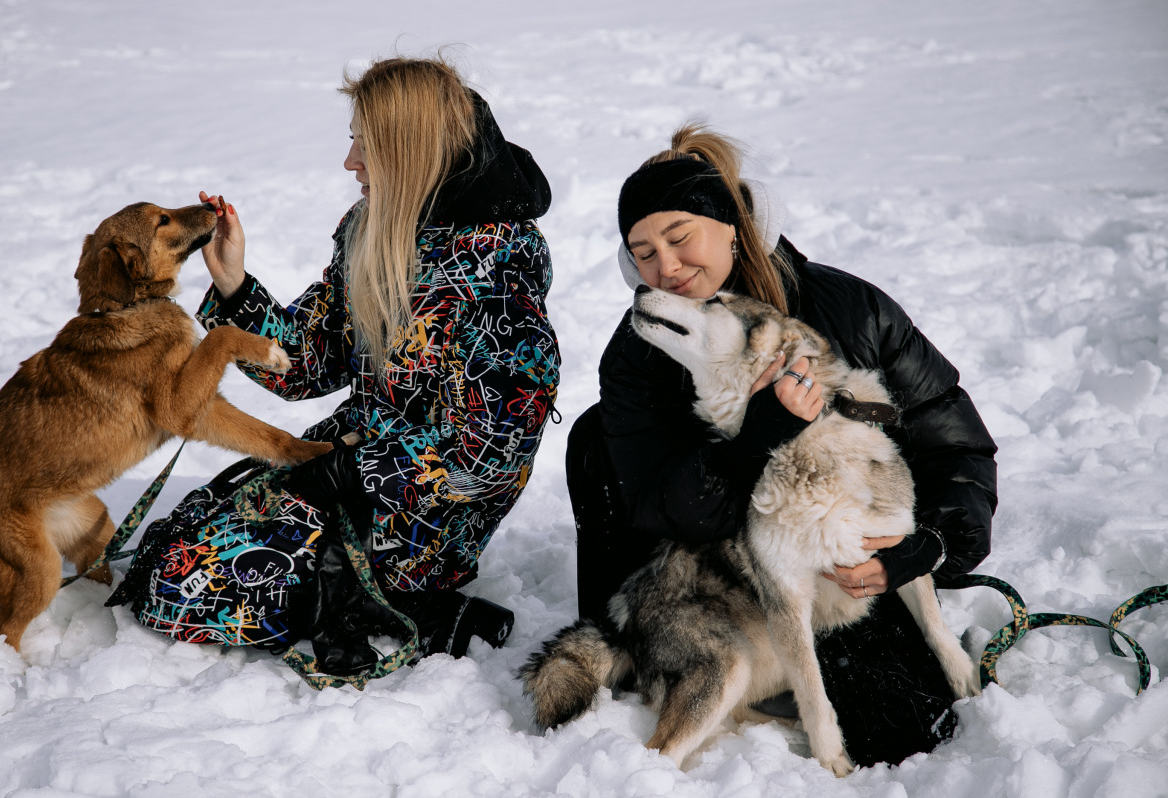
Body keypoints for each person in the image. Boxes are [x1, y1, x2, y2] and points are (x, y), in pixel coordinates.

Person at [566, 123, 997, 767]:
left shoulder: (852, 308)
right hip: (723, 579)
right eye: (643, 253)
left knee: (907, 731)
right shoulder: (641, 354)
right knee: (592, 436)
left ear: (734, 228)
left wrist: (932, 542)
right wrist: (763, 435)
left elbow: (953, 446)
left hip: (845, 574)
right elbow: (665, 506)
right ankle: (650, 652)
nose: (667, 267)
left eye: (680, 239)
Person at [112, 55, 559, 667]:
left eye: (367, 147)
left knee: (197, 589)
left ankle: (416, 605)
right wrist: (237, 287)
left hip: (427, 515)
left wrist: (358, 470)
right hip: (347, 464)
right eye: (353, 142)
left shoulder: (498, 276)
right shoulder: (372, 228)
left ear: (413, 152)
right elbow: (309, 361)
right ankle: (354, 598)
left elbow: (489, 461)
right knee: (173, 558)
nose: (350, 163)